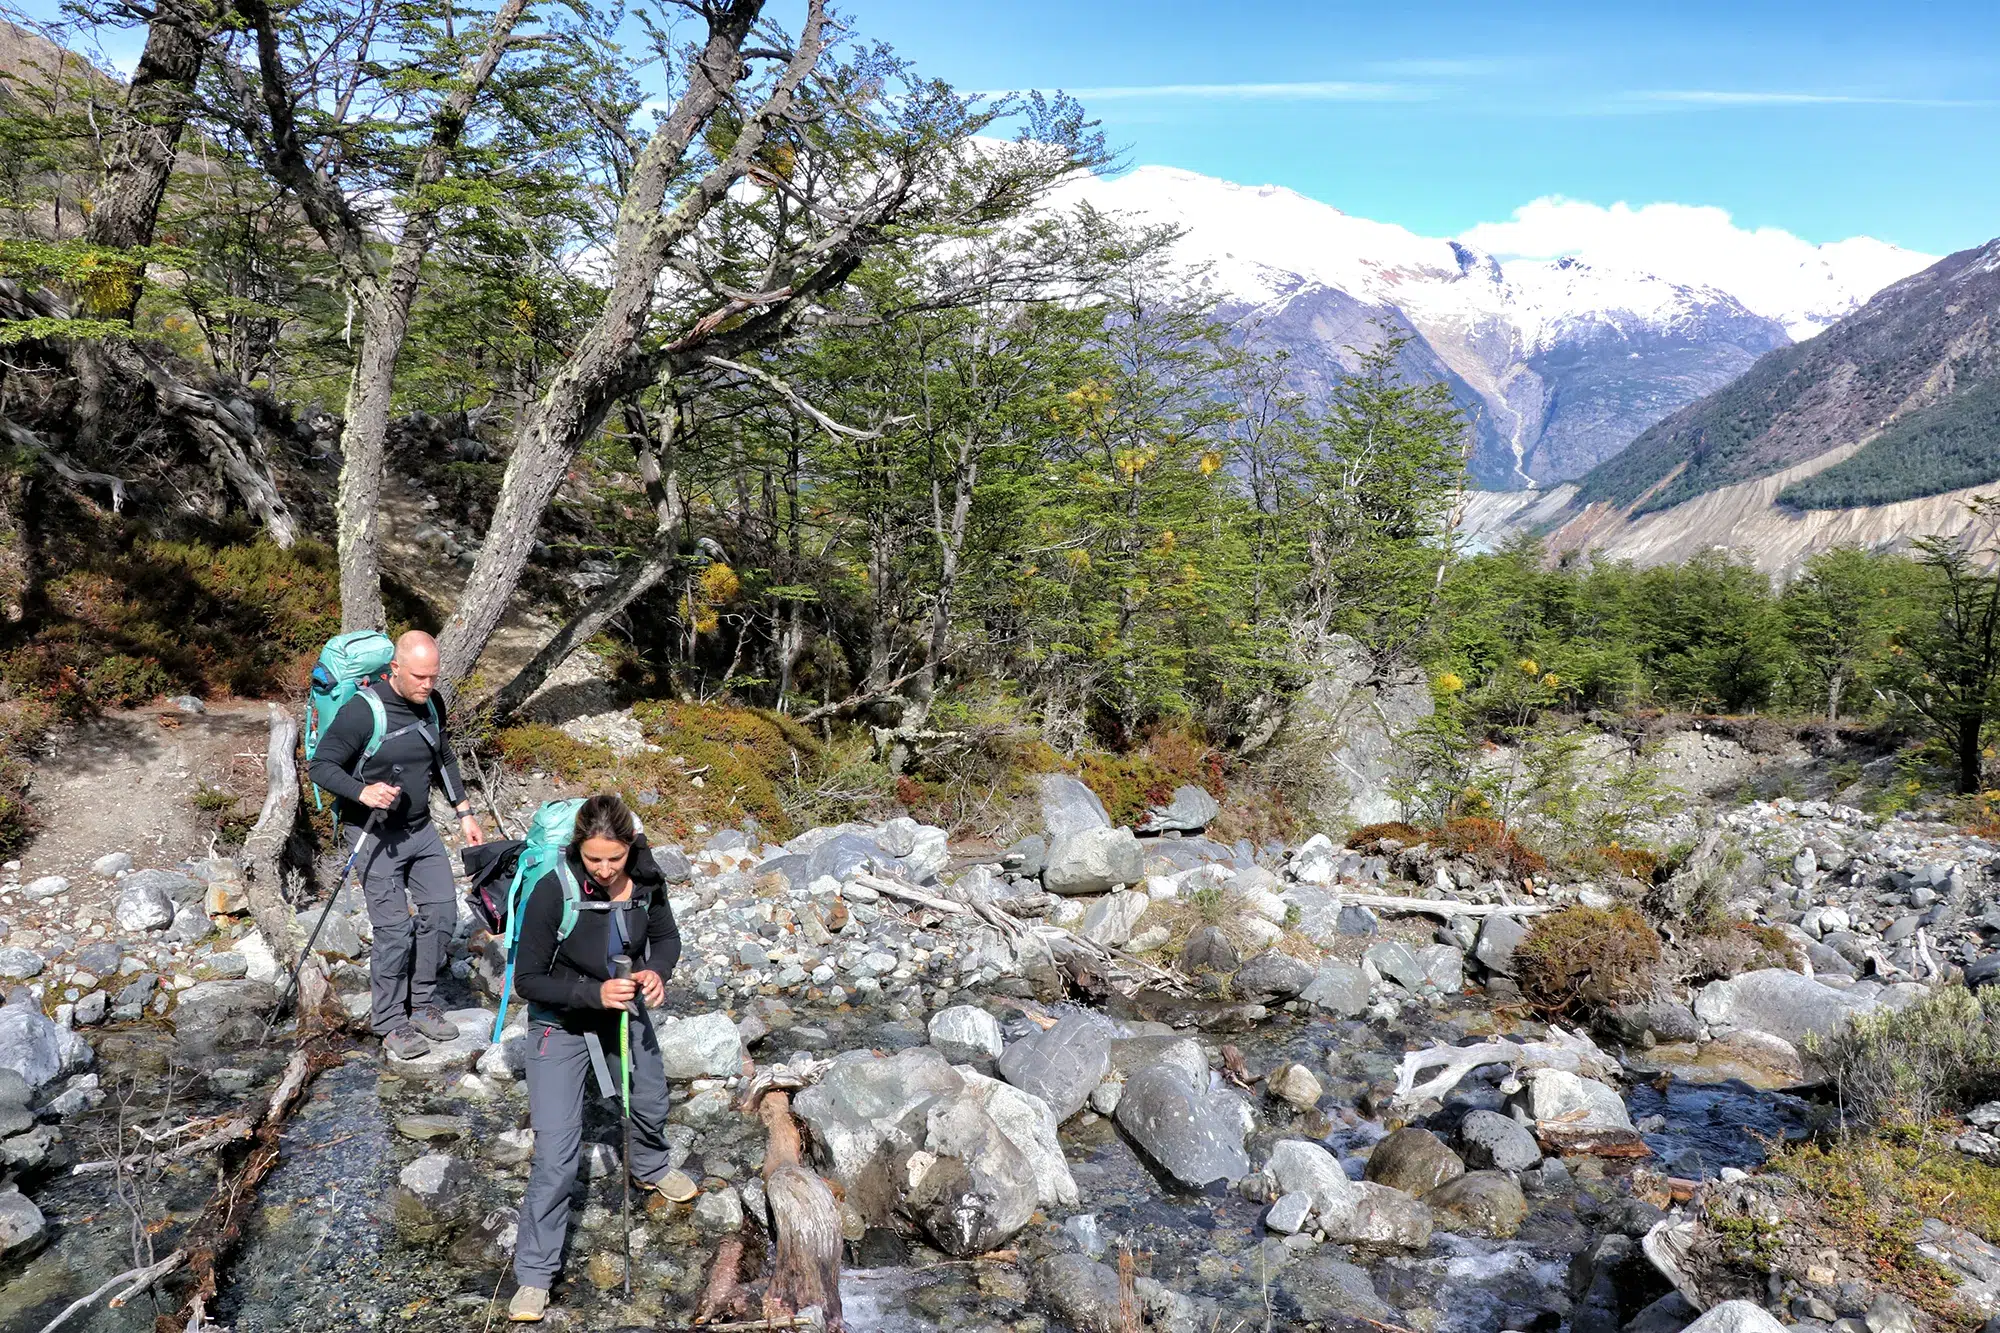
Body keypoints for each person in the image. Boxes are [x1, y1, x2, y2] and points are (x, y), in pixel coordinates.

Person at [508, 792, 681, 1323]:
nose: (605, 870)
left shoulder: (647, 881)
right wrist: (593, 994)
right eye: (593, 859)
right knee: (557, 1155)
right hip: (558, 1026)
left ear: (631, 845)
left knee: (651, 1098)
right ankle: (536, 1274)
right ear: (577, 849)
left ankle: (649, 1166)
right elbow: (526, 981)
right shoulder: (549, 891)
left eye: (615, 857)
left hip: (622, 1012)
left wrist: (657, 973)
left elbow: (666, 939)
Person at [306, 629, 484, 1060]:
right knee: (393, 931)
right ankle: (388, 1020)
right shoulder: (361, 713)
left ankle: (422, 1003)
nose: (428, 685)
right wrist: (361, 791)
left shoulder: (432, 705)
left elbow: (443, 757)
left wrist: (464, 812)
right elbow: (320, 766)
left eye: (433, 677)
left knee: (442, 914)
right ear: (395, 669)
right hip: (372, 834)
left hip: (421, 830)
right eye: (420, 677)